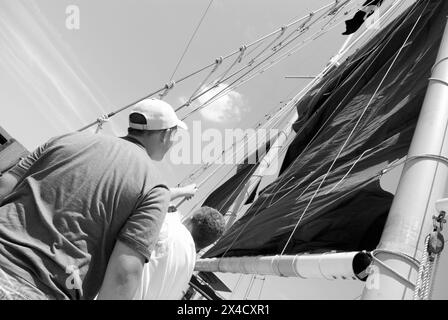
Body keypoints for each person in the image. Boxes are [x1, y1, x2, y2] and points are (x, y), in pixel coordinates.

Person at [0, 98, 187, 300]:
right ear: (166, 133)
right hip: (37, 291)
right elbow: (123, 274)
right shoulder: (154, 188)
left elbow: (5, 185)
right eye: (175, 134)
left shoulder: (67, 139)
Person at [133, 203, 225, 300]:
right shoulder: (189, 266)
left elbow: (151, 202)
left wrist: (182, 191)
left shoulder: (173, 230)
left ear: (191, 219)